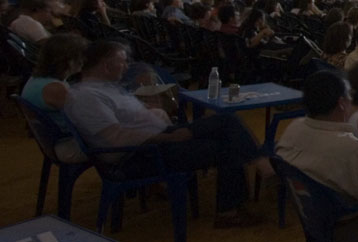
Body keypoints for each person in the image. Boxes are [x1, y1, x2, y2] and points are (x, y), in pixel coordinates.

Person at [64, 41, 268, 227]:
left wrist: (148, 111)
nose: (126, 67)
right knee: (226, 147)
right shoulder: (87, 97)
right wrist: (169, 137)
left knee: (226, 120)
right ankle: (231, 209)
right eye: (123, 62)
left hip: (156, 141)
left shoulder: (104, 88)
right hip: (142, 154)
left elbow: (124, 120)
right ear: (106, 65)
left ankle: (256, 165)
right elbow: (116, 138)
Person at [276, 70, 358, 206]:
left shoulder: (294, 128)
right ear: (342, 103)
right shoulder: (351, 149)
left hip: (315, 213)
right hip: (352, 217)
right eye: (350, 95)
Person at [21, 33, 89, 161]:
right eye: (81, 56)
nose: (84, 60)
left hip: (58, 142)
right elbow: (85, 118)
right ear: (67, 59)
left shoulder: (40, 79)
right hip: (67, 145)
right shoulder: (54, 88)